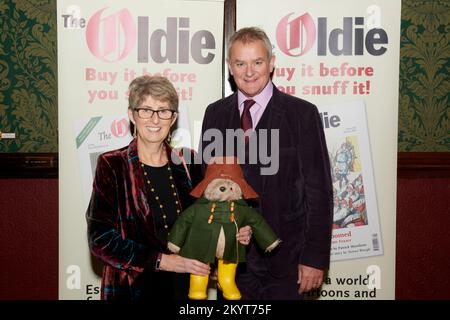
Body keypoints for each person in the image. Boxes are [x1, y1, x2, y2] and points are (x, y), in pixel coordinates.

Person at [86, 75, 252, 300]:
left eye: (164, 111)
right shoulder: (113, 165)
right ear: (132, 115)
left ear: (173, 118)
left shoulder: (188, 162)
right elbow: (100, 239)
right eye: (146, 109)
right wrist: (162, 261)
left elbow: (207, 220)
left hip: (184, 288)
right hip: (132, 289)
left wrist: (234, 232)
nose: (155, 120)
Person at [199, 27, 333, 299]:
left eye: (257, 62)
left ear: (271, 63)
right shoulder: (215, 114)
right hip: (233, 261)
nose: (249, 72)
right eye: (240, 63)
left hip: (288, 261)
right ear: (229, 66)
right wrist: (209, 251)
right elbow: (207, 190)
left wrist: (314, 258)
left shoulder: (302, 114)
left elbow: (319, 192)